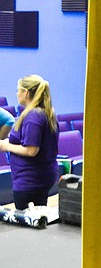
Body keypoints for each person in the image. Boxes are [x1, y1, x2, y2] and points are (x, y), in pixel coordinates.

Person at [0, 75, 59, 209]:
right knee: (40, 216)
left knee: (25, 224)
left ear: (25, 93)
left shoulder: (33, 116)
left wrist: (6, 145)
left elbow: (31, 150)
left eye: (18, 90)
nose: (16, 94)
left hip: (29, 180)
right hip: (43, 177)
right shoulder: (46, 113)